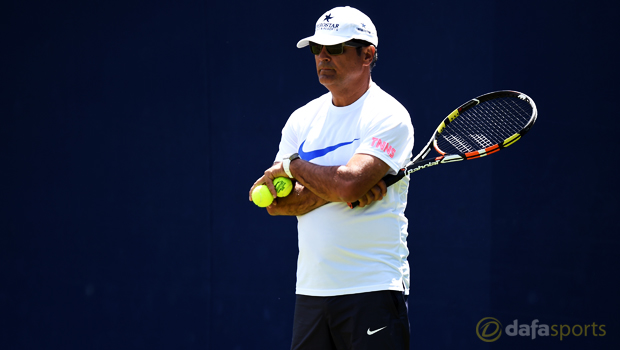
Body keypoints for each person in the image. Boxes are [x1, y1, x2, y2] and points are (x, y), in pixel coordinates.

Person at [248, 6, 414, 350]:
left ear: (367, 54)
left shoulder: (389, 115)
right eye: (316, 48)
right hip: (311, 292)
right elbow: (274, 204)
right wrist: (337, 188)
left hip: (372, 288)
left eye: (335, 48)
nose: (323, 56)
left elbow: (348, 184)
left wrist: (297, 170)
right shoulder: (301, 119)